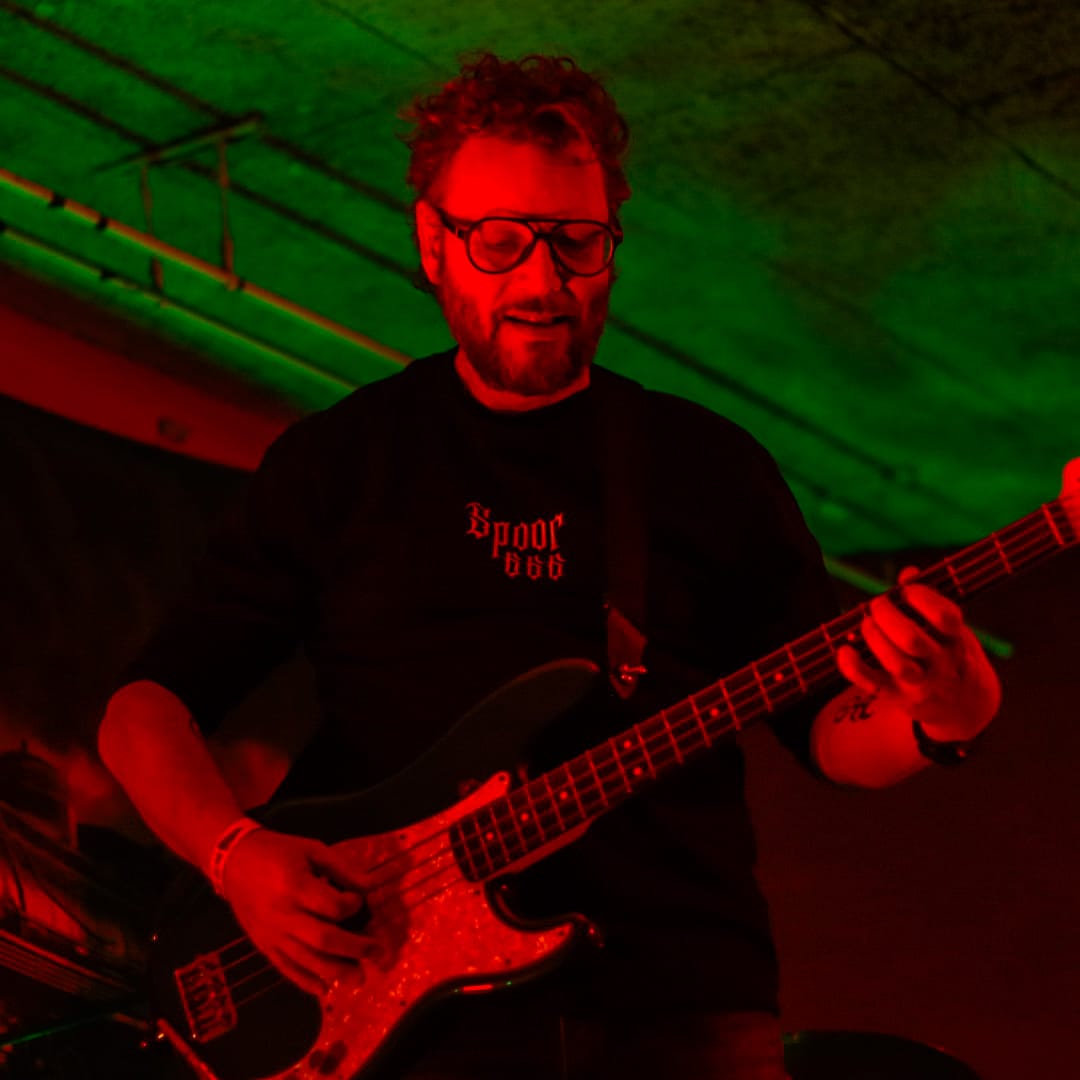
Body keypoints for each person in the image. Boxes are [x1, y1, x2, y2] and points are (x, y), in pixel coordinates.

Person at [97, 53, 1001, 1080]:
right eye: (500, 241)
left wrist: (946, 713)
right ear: (431, 242)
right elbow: (142, 710)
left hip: (681, 1014)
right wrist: (236, 856)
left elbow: (833, 733)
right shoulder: (340, 461)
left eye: (577, 242)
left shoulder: (708, 467)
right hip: (401, 1029)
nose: (541, 283)